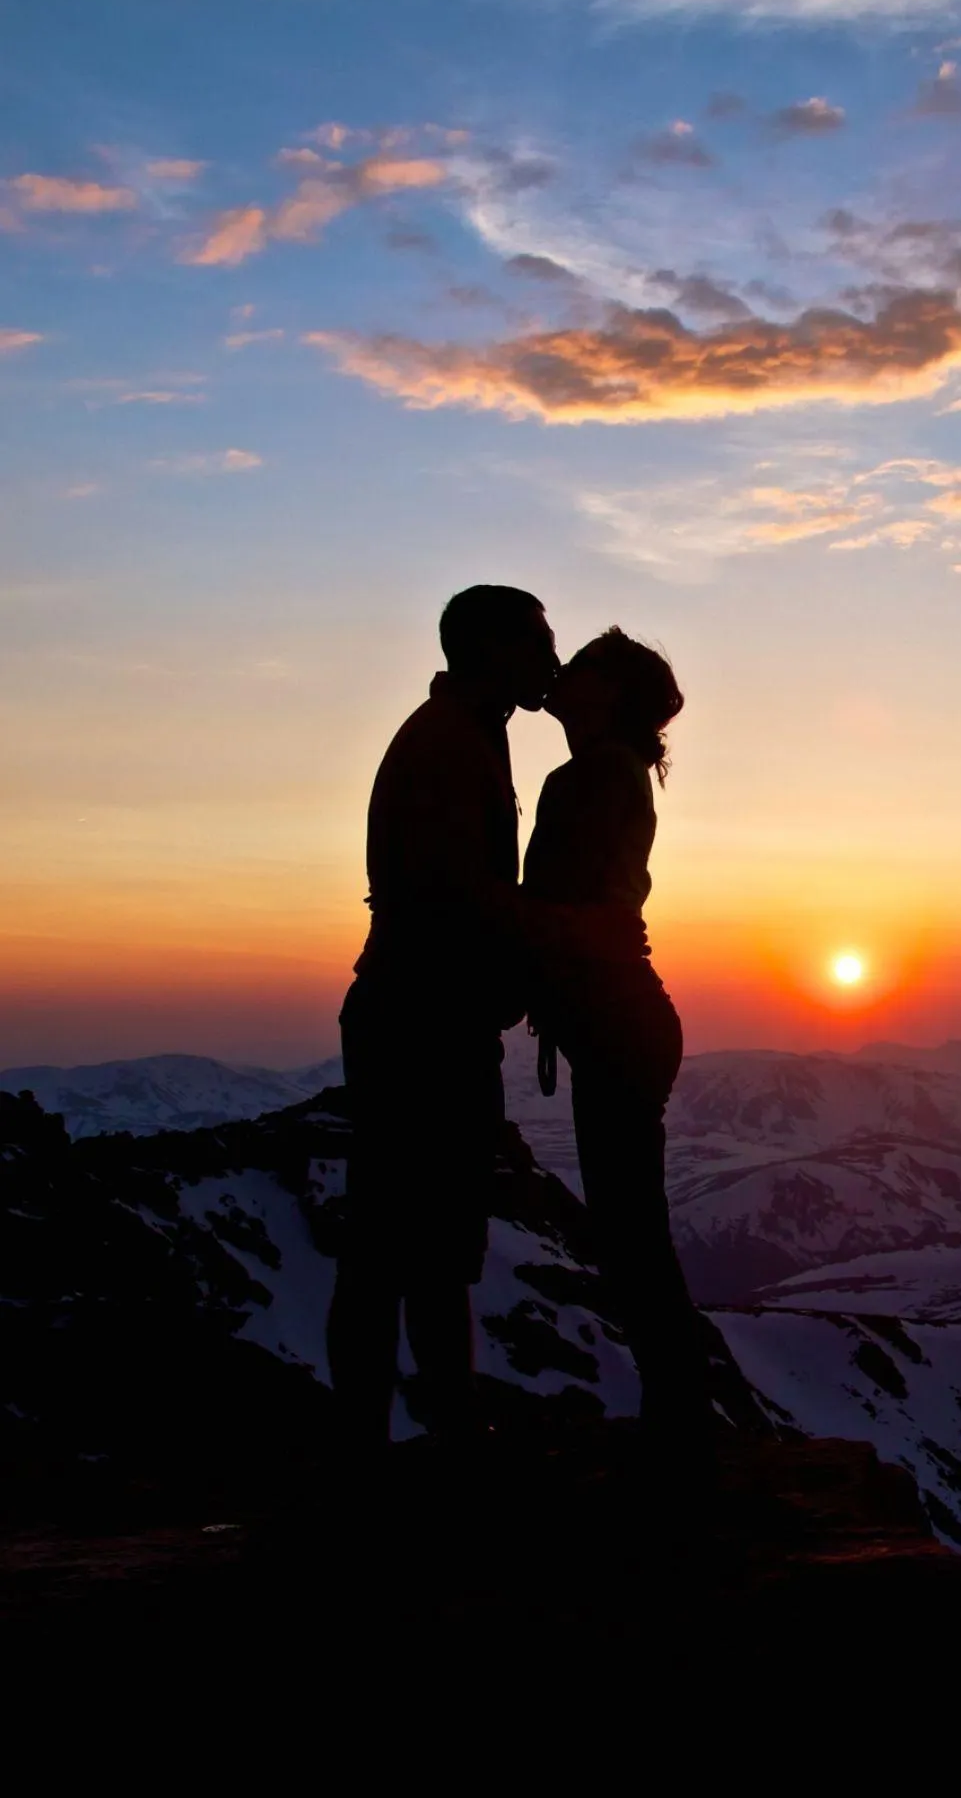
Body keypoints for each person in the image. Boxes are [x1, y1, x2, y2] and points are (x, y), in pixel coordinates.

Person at [327, 585, 559, 1453]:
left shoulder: (463, 734)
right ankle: (419, 1437)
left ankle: (404, 1435)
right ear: (489, 648)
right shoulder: (454, 744)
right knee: (406, 1243)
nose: (550, 658)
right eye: (536, 641)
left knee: (407, 1241)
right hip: (423, 1019)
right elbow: (459, 894)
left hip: (417, 1010)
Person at [522, 628, 714, 1442]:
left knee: (631, 1239)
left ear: (612, 695)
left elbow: (592, 913)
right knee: (632, 1234)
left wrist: (487, 914)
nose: (566, 670)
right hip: (620, 1022)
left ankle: (680, 1424)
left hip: (615, 1021)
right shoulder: (607, 773)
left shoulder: (593, 776)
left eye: (586, 665)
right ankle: (678, 1419)